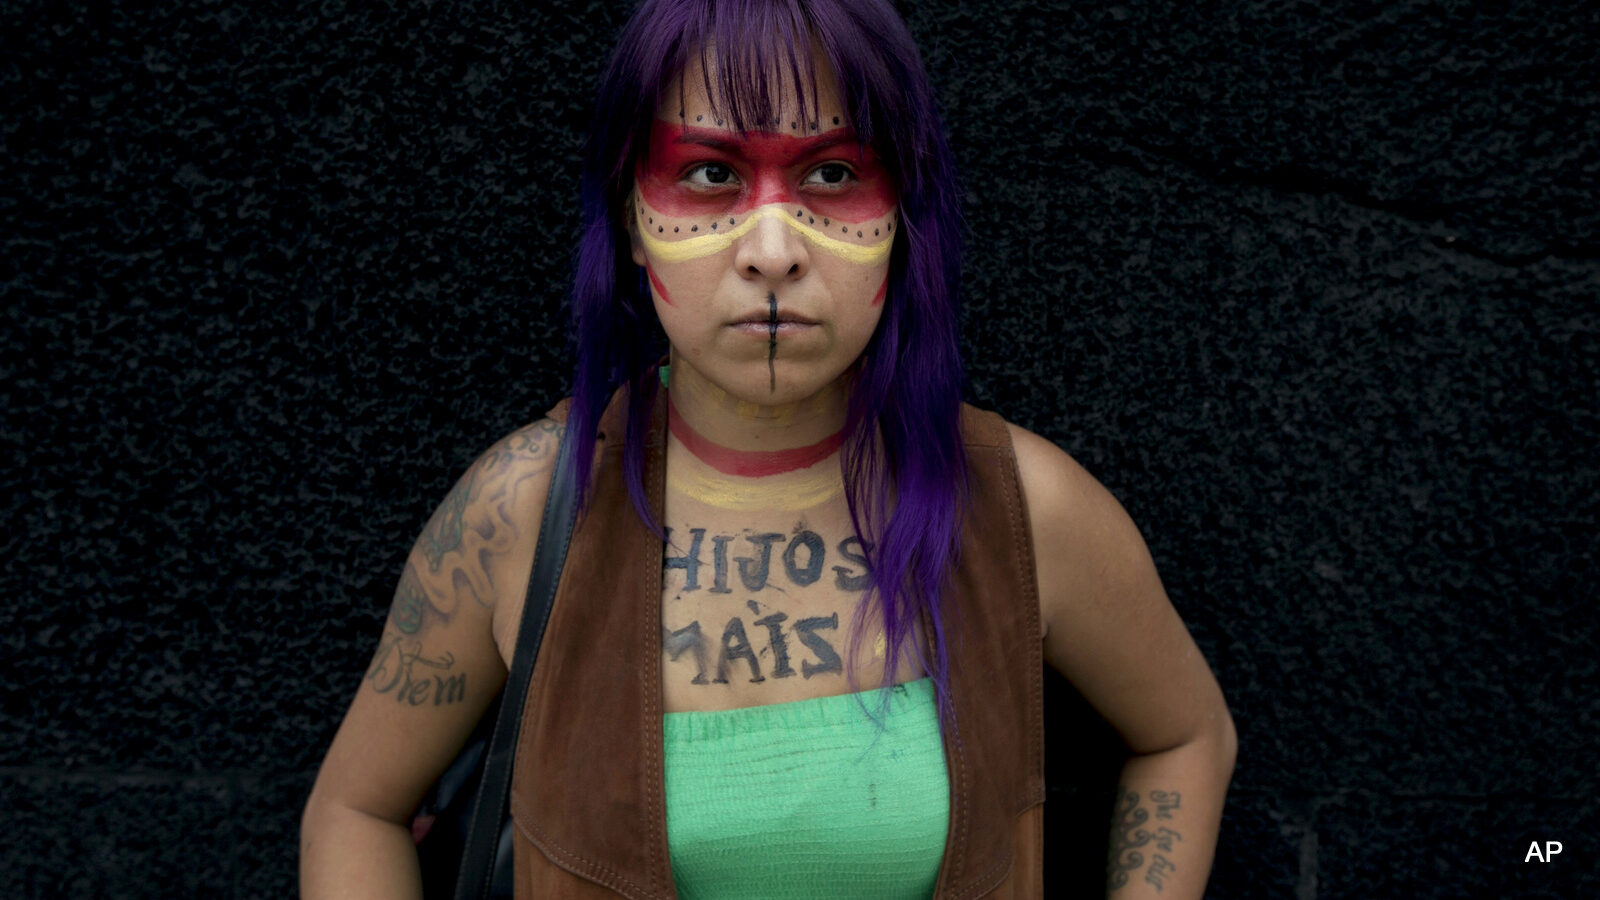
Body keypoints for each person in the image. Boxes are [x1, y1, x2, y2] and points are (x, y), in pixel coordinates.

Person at [300, 1, 1237, 897]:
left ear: (901, 215)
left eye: (833, 173)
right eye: (710, 174)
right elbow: (356, 809)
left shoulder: (1023, 510)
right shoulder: (524, 506)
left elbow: (1187, 735)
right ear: (631, 216)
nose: (773, 248)